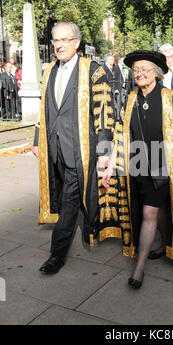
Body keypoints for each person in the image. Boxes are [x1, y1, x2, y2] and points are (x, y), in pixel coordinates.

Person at [100, 50, 173, 289]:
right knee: (161, 208)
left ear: (156, 73)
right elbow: (119, 135)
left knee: (149, 213)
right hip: (138, 165)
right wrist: (110, 166)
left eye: (145, 69)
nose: (140, 73)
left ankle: (139, 268)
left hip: (164, 165)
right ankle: (167, 244)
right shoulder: (131, 98)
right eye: (136, 70)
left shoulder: (170, 98)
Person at [32, 22, 114, 274]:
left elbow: (104, 111)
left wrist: (103, 150)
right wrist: (37, 140)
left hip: (80, 149)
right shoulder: (49, 71)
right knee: (67, 196)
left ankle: (57, 254)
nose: (58, 45)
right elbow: (44, 108)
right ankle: (89, 222)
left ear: (76, 43)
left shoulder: (93, 71)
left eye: (64, 40)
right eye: (55, 40)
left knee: (69, 199)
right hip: (54, 147)